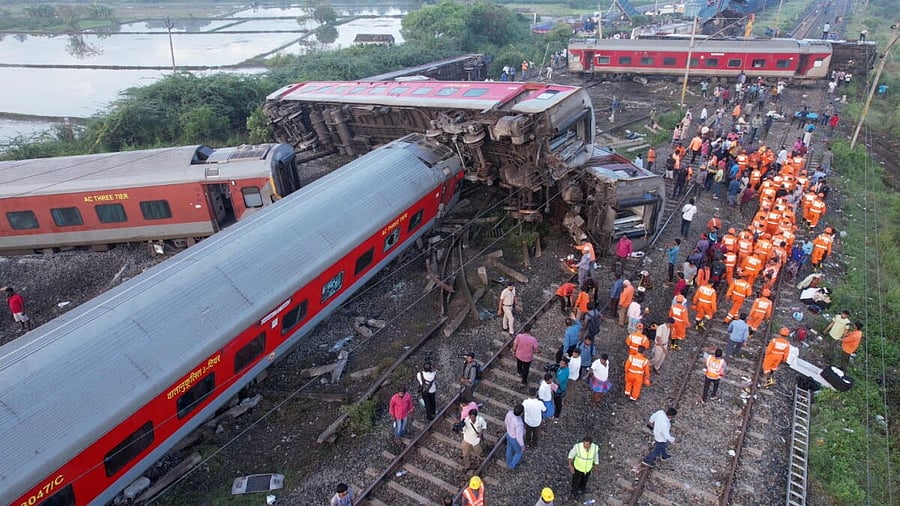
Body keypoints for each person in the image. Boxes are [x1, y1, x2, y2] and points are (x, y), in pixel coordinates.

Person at [505, 405, 526, 469]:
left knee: (509, 448)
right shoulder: (519, 423)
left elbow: (505, 422)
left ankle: (508, 461)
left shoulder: (509, 413)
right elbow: (519, 436)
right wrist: (522, 446)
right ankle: (511, 465)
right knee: (519, 452)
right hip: (514, 438)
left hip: (508, 434)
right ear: (521, 413)